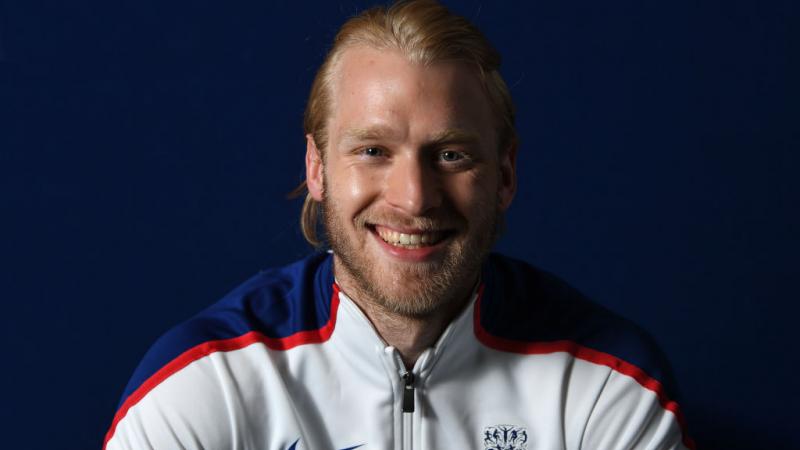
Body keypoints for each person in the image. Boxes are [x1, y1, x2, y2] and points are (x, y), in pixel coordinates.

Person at [104, 1, 693, 449]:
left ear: (506, 174)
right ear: (317, 169)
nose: (414, 198)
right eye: (372, 151)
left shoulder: (604, 384)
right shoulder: (208, 380)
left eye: (452, 155)